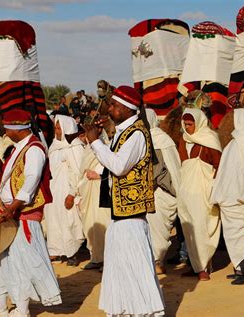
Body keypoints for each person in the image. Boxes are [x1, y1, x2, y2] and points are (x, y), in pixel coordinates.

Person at [84, 85, 164, 316]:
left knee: (135, 270)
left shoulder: (137, 133)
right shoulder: (123, 131)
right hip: (120, 216)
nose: (110, 108)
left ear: (129, 109)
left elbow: (119, 166)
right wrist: (98, 139)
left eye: (115, 105)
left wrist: (95, 143)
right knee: (119, 271)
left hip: (132, 219)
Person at [0, 109, 61, 317]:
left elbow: (31, 182)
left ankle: (22, 310)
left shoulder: (34, 149)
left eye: (7, 127)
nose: (5, 131)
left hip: (21, 214)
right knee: (0, 260)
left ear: (17, 129)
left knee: (20, 262)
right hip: (8, 211)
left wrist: (12, 208)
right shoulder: (18, 148)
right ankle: (0, 303)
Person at [211, 108, 244, 285]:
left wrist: (230, 196)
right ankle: (242, 269)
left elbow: (240, 174)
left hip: (240, 199)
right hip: (239, 198)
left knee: (240, 237)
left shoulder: (241, 144)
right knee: (240, 237)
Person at [177, 107, 222, 281]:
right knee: (189, 227)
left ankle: (203, 266)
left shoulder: (210, 139)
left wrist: (215, 188)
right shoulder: (182, 140)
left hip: (204, 191)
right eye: (185, 124)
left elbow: (219, 165)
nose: (187, 127)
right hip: (186, 191)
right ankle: (195, 265)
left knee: (202, 226)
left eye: (190, 124)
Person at [44, 115, 85, 266]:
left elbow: (78, 172)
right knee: (53, 219)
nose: (57, 130)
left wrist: (72, 193)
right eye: (55, 127)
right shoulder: (54, 146)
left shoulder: (75, 147)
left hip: (68, 190)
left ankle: (72, 253)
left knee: (70, 221)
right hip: (53, 189)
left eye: (59, 127)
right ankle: (55, 251)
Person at [145, 108, 181, 274]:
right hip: (150, 192)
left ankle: (158, 261)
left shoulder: (160, 141)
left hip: (162, 192)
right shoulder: (145, 139)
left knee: (158, 229)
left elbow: (165, 170)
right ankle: (153, 261)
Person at [78, 129, 111, 270]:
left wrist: (98, 175)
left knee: (104, 225)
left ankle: (108, 260)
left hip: (101, 191)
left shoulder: (108, 149)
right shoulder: (86, 151)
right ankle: (96, 257)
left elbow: (111, 168)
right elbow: (81, 172)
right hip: (88, 192)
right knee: (90, 225)